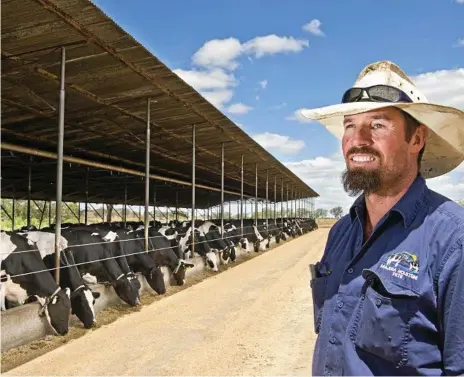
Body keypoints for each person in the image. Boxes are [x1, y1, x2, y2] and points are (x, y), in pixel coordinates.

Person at [301, 60, 464, 376]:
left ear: (416, 139)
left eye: (378, 124)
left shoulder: (453, 240)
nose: (358, 139)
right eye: (350, 125)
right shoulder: (340, 233)